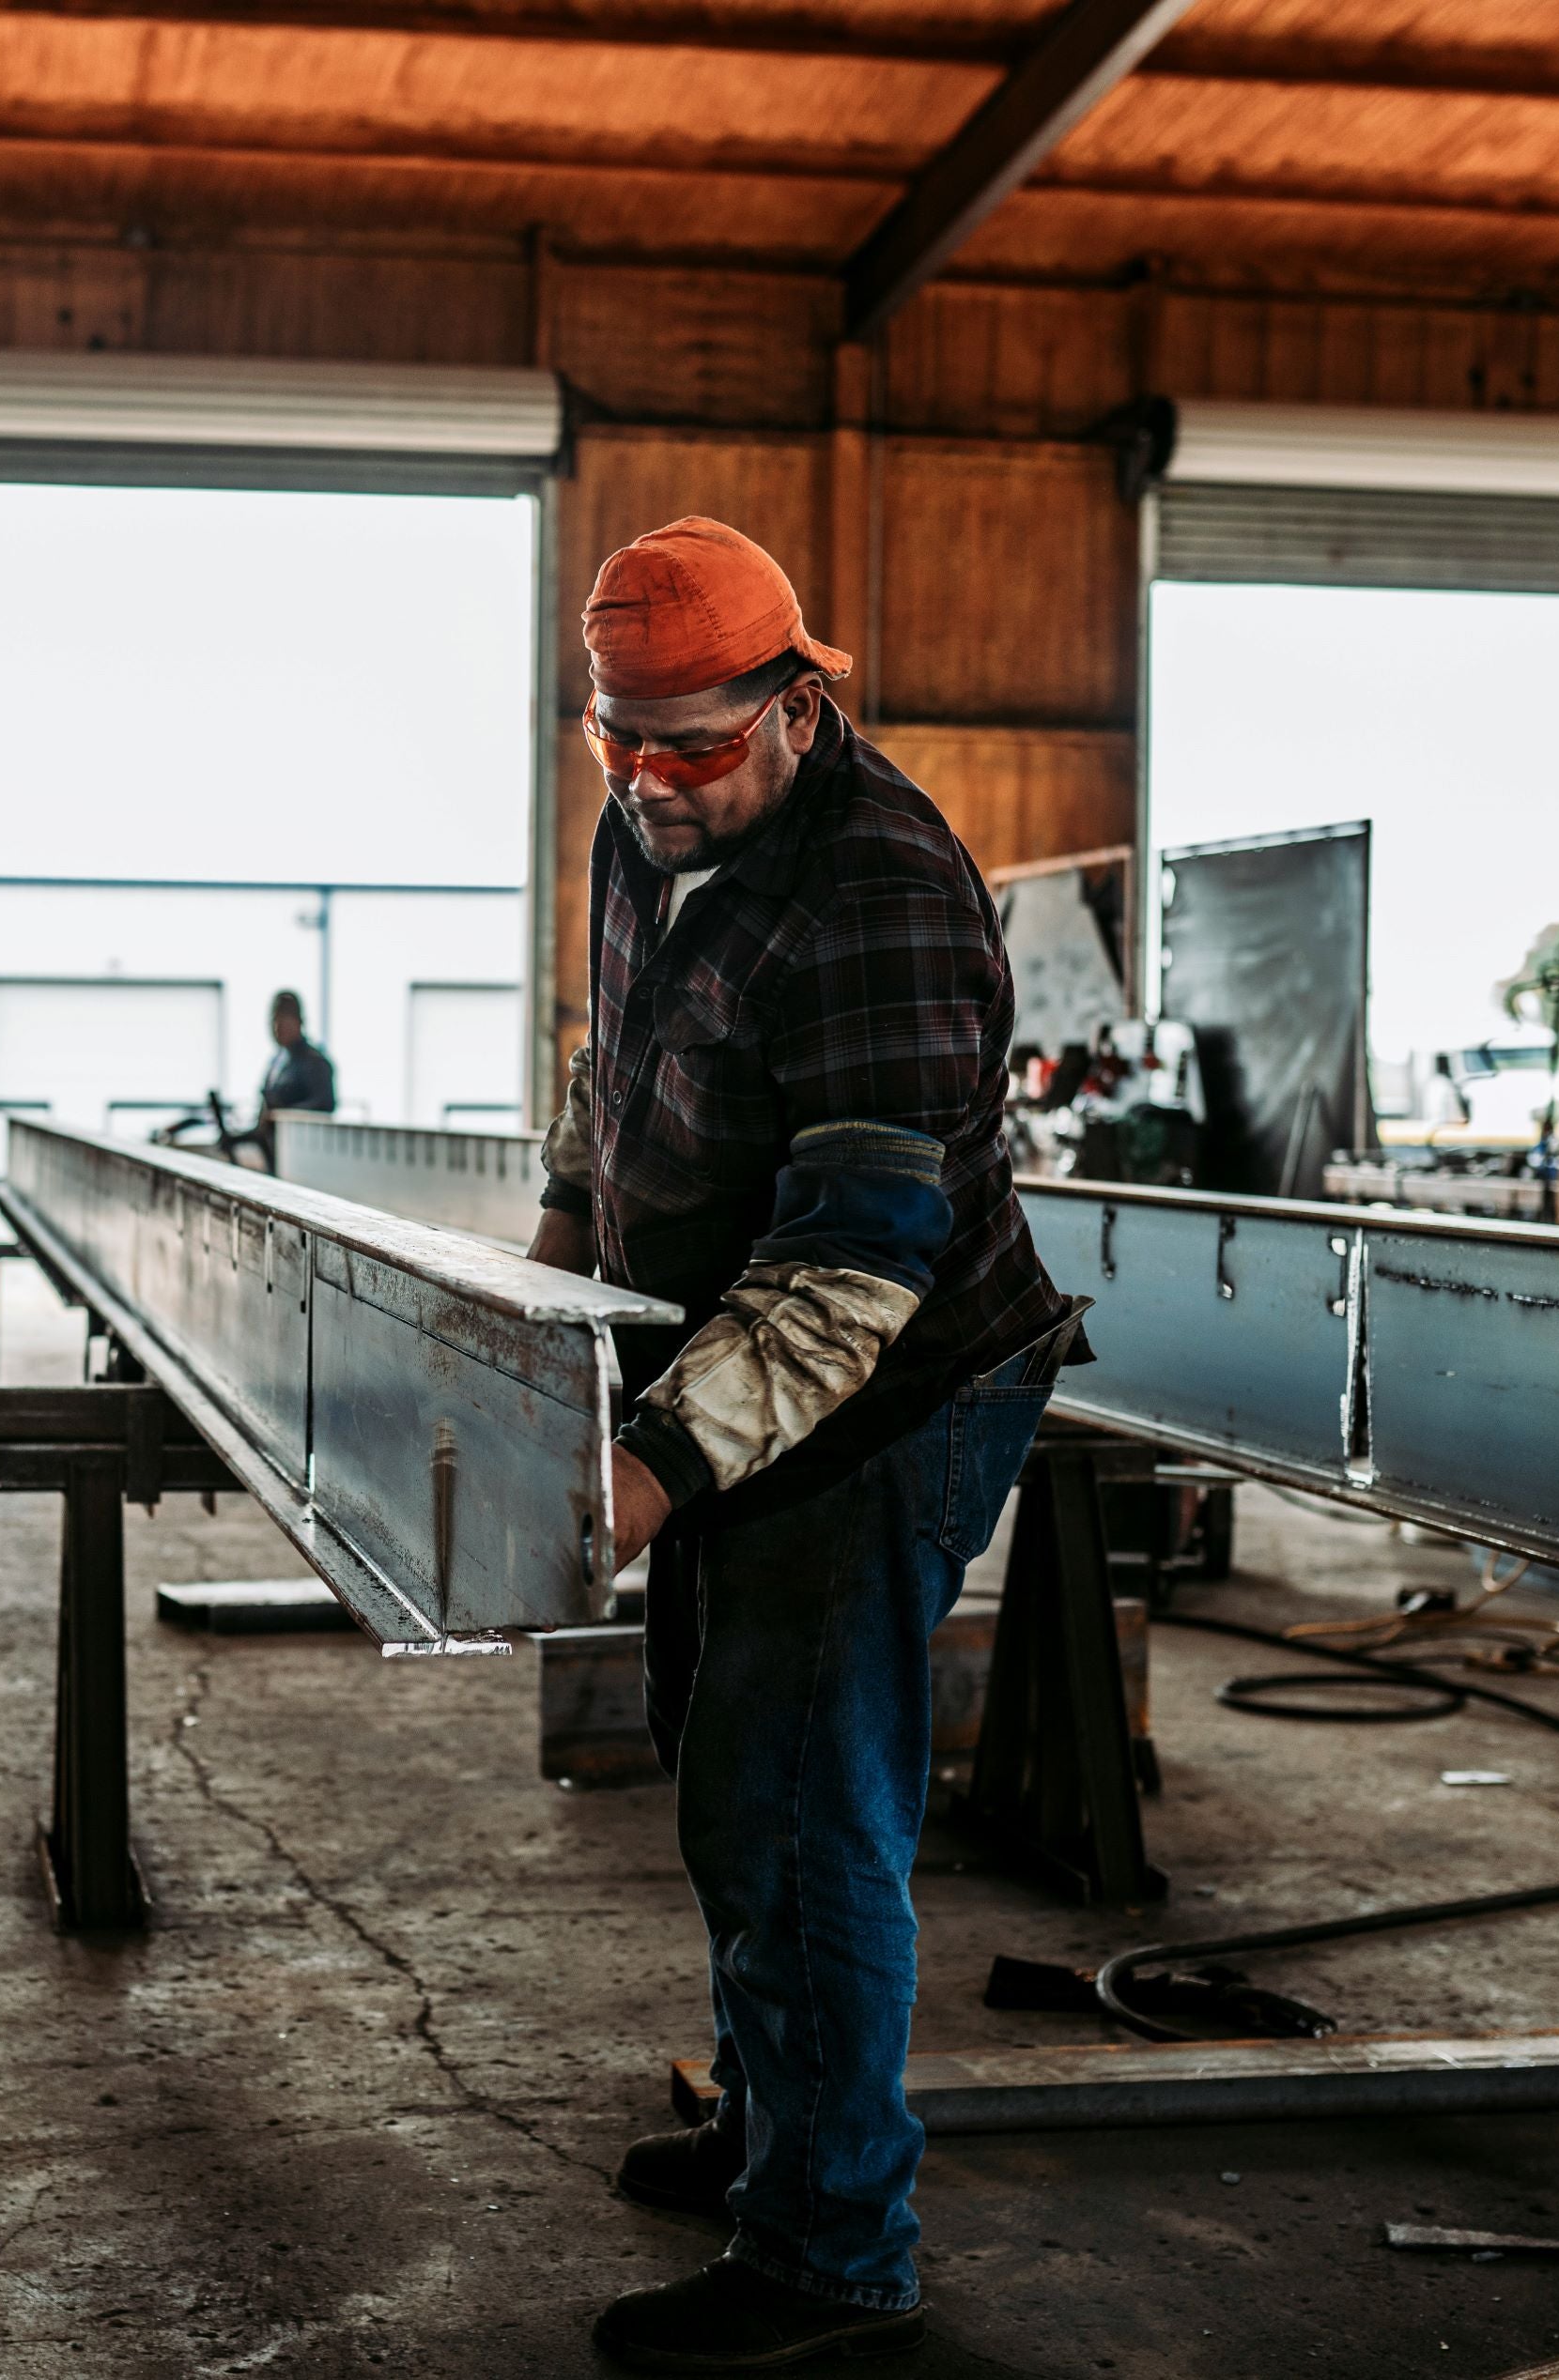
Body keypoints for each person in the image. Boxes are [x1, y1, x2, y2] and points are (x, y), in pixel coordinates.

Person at [528, 517, 1083, 2372]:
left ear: (797, 698)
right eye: (613, 736)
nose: (644, 778)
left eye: (689, 743)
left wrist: (633, 1479)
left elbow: (847, 1278)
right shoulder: (641, 820)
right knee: (720, 1756)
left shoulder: (879, 892)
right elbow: (608, 1063)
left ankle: (832, 2245)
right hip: (711, 1361)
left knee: (794, 1808)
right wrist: (546, 1280)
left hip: (888, 1388)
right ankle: (777, 2128)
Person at [253, 990, 336, 1167]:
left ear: (298, 1022)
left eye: (282, 1021)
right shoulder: (278, 1061)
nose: (277, 1028)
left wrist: (283, 1114)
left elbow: (325, 1104)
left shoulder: (314, 1062)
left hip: (303, 1156)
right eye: (274, 1021)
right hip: (273, 1149)